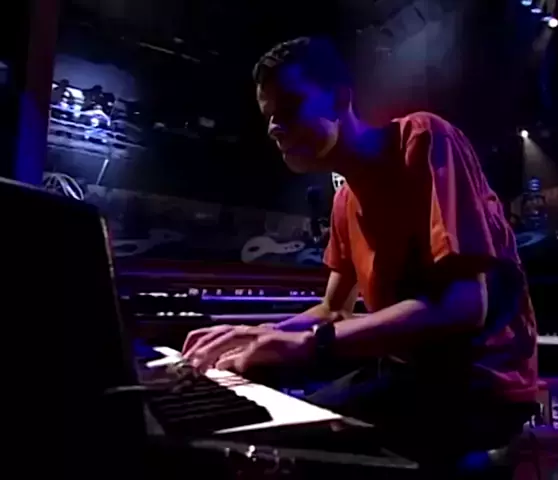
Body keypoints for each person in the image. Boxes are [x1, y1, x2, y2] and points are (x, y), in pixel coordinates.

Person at [183, 37, 538, 471]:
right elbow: (333, 309)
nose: (274, 128)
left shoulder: (423, 137)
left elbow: (462, 306)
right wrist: (259, 332)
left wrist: (302, 343)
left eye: (290, 106)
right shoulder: (343, 200)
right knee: (254, 401)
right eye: (269, 116)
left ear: (339, 99)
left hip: (478, 382)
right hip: (406, 370)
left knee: (282, 446)